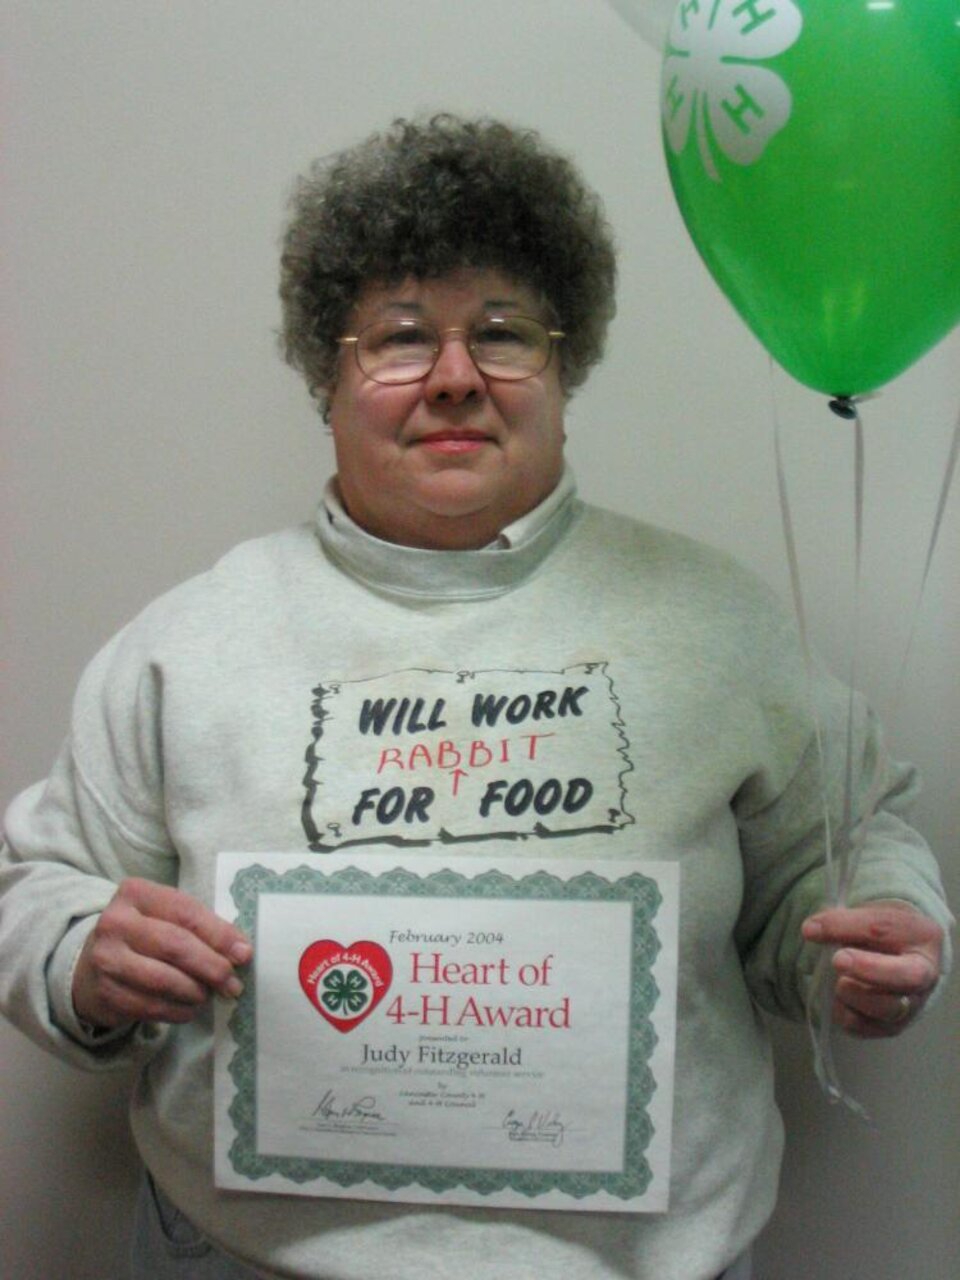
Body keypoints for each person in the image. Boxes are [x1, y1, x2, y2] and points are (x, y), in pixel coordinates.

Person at [0, 115, 950, 1280]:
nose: (455, 377)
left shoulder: (716, 621)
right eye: (400, 340)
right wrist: (81, 955)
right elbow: (37, 885)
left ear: (565, 364)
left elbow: (848, 850)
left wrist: (882, 934)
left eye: (502, 333)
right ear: (328, 373)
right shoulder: (188, 642)